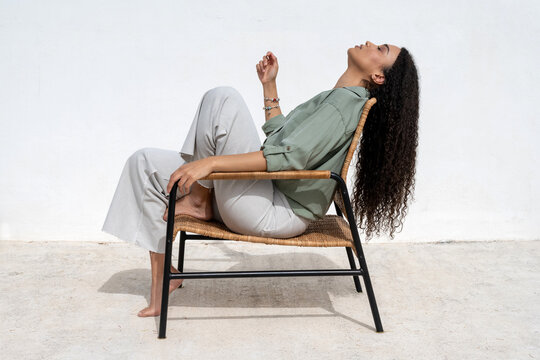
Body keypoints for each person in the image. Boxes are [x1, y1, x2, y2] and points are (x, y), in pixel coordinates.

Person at [102, 41, 419, 317]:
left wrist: (209, 164)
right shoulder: (337, 97)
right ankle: (164, 278)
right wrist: (270, 85)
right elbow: (281, 141)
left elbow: (287, 158)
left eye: (381, 49)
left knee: (224, 99)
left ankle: (199, 200)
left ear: (378, 76)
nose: (369, 42)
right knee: (143, 162)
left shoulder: (342, 106)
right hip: (264, 192)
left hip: (277, 210)